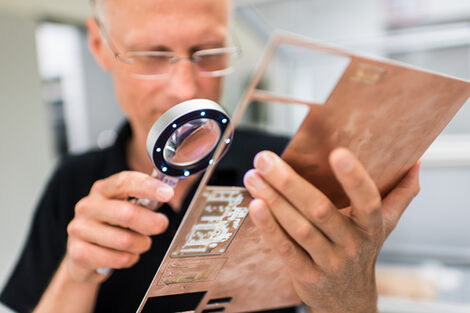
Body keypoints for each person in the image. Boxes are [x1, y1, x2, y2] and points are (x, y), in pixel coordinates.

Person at [0, 0, 421, 312]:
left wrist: (352, 291)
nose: (186, 88)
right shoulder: (73, 184)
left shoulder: (289, 166)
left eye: (208, 53)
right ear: (98, 43)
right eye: (153, 55)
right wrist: (78, 273)